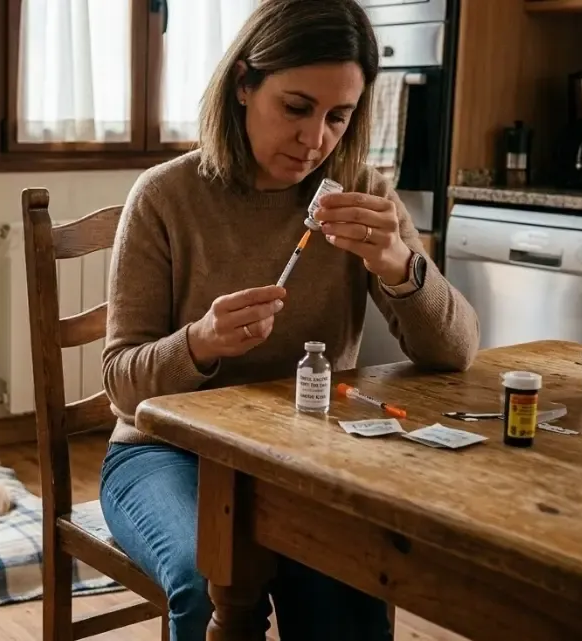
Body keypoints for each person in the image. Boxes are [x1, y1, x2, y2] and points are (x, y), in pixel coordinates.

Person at [97, 0, 480, 640]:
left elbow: (458, 351)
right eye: (297, 108)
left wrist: (399, 266)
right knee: (204, 578)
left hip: (305, 460)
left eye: (339, 116)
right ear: (244, 84)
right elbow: (122, 385)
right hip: (166, 455)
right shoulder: (165, 197)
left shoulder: (361, 194)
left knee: (349, 586)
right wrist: (199, 343)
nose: (316, 140)